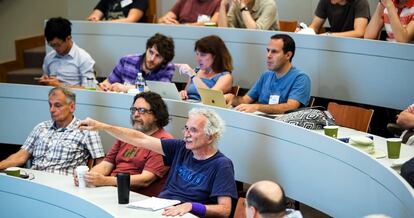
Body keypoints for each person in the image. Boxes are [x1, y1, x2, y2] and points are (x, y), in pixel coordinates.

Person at [78, 108, 238, 217]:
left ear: (211, 136)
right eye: (186, 128)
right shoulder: (180, 148)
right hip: (160, 209)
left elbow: (225, 210)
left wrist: (191, 206)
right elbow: (140, 138)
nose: (186, 134)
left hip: (186, 214)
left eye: (193, 130)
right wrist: (102, 126)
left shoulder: (222, 165)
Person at [74, 92, 172, 196]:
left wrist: (105, 181)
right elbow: (106, 165)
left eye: (142, 110)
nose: (136, 114)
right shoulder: (126, 135)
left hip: (136, 198)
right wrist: (88, 176)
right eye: (134, 110)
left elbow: (144, 180)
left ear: (156, 115)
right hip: (111, 191)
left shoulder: (163, 141)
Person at [0, 87, 105, 175]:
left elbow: (102, 165)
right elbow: (21, 156)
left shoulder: (87, 130)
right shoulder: (41, 127)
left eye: (57, 105)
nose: (52, 110)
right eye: (50, 105)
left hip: (63, 186)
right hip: (34, 179)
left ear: (71, 107)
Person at [224, 34, 311, 114]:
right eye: (268, 50)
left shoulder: (300, 78)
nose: (268, 55)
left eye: (274, 52)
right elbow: (245, 100)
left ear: (288, 55)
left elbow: (290, 107)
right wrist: (230, 98)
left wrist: (257, 107)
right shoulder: (266, 75)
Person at [98, 33, 175, 93]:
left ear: (164, 60)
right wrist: (104, 86)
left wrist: (127, 88)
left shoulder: (168, 68)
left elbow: (162, 91)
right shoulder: (126, 60)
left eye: (158, 56)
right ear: (147, 48)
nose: (152, 59)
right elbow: (109, 82)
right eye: (151, 52)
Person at [40, 17, 97, 88]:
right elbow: (46, 78)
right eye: (52, 45)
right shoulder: (49, 57)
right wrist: (45, 80)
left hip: (75, 98)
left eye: (58, 45)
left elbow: (91, 88)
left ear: (68, 38)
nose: (55, 49)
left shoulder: (84, 58)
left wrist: (60, 85)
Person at [177, 35, 233, 101]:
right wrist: (182, 93)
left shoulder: (225, 77)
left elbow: (210, 98)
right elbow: (187, 93)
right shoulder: (196, 71)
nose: (198, 59)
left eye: (203, 55)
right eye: (197, 54)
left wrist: (194, 76)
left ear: (216, 56)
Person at [304, 0, 370, 37]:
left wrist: (330, 35)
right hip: (335, 44)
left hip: (356, 46)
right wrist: (304, 32)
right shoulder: (325, 2)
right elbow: (314, 27)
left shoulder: (360, 2)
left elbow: (359, 33)